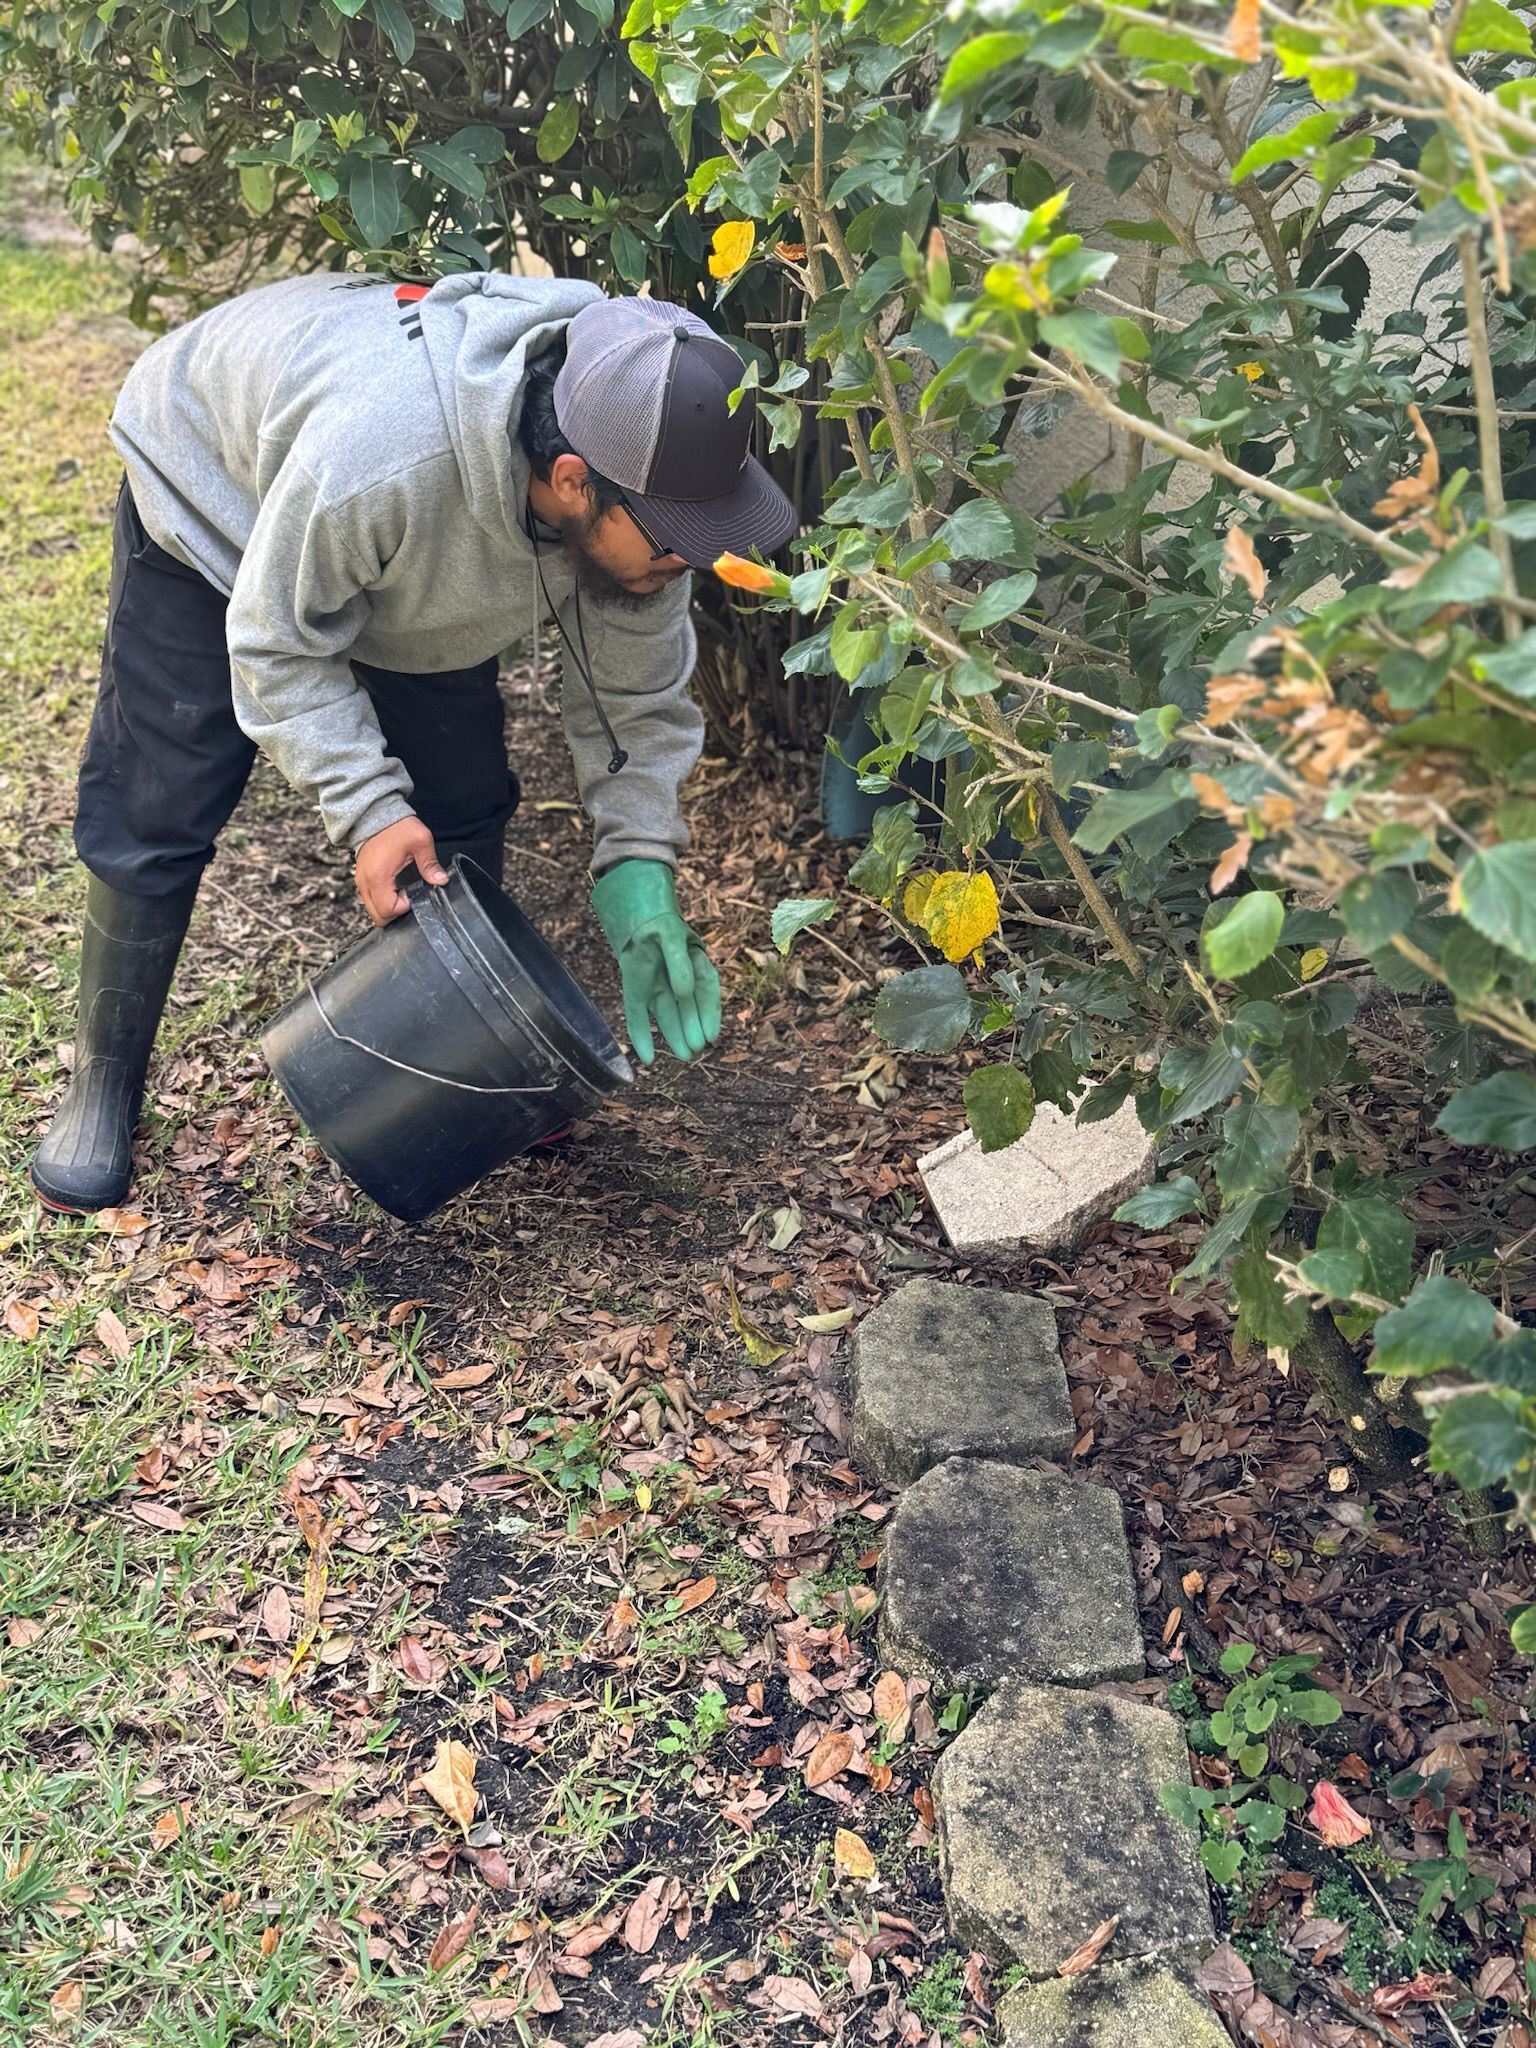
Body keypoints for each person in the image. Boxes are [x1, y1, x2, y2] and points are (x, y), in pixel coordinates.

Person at [30, 275, 795, 1214]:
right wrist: (368, 812)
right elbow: (276, 642)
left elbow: (636, 698)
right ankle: (102, 1082)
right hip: (217, 495)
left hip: (407, 546)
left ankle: (485, 1052)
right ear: (571, 482)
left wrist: (637, 859)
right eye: (678, 541)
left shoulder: (633, 446)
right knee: (160, 801)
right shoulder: (378, 461)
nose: (693, 559)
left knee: (463, 795)